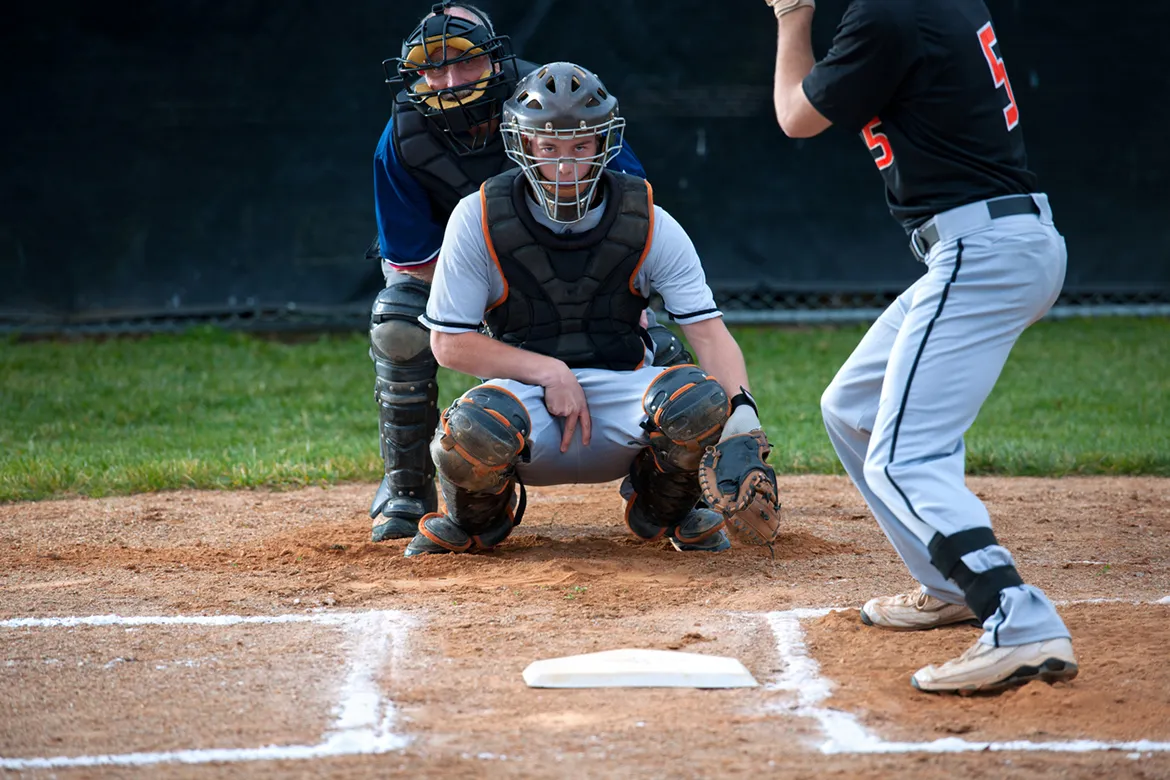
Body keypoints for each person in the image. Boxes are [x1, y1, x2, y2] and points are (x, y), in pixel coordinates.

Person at [763, 0, 1076, 693]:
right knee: (853, 406)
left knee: (904, 456)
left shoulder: (888, 11)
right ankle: (952, 585)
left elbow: (796, 116)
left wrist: (791, 16)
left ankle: (1018, 619)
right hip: (991, 243)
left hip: (982, 249)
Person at [403, 62, 771, 558]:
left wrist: (744, 418)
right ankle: (477, 520)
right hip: (525, 400)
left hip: (624, 395)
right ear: (523, 144)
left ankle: (664, 510)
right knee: (472, 427)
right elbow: (448, 343)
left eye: (581, 146)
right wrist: (549, 372)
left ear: (604, 143)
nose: (565, 165)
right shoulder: (479, 216)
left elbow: (707, 333)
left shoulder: (649, 221)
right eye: (548, 147)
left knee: (700, 403)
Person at [365, 2, 686, 543]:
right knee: (399, 323)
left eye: (463, 62)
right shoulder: (402, 139)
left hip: (587, 266)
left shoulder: (558, 104)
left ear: (494, 62)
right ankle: (408, 485)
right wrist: (495, 302)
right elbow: (414, 263)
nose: (446, 81)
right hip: (472, 275)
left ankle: (660, 486)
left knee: (661, 350)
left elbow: (627, 221)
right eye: (430, 67)